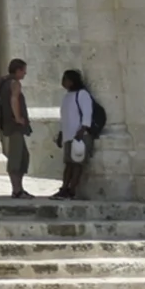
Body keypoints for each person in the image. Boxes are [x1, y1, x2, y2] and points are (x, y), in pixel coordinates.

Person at [0, 58, 34, 198]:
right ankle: (16, 190)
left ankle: (19, 188)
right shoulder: (14, 83)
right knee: (16, 158)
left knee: (23, 156)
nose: (25, 73)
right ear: (18, 70)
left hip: (9, 125)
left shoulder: (4, 82)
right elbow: (14, 100)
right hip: (15, 126)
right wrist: (19, 117)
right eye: (23, 70)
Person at [56, 68, 98, 200]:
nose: (63, 82)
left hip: (80, 135)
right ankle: (64, 188)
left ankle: (72, 189)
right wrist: (61, 133)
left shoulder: (82, 94)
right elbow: (65, 117)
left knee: (77, 164)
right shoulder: (67, 96)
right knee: (68, 164)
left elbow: (87, 113)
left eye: (65, 79)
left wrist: (83, 129)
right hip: (69, 135)